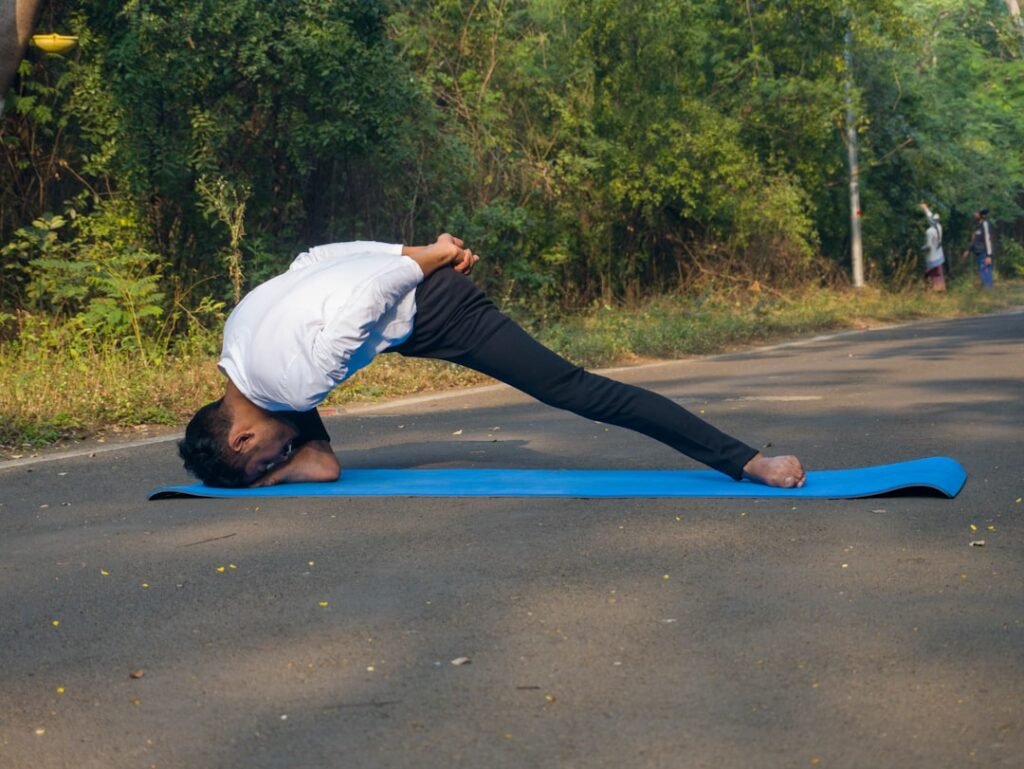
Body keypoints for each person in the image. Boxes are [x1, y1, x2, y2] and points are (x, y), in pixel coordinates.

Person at [178, 235, 806, 489]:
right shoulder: (235, 343)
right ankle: (744, 458)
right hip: (403, 302)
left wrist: (425, 256)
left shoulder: (295, 383)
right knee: (315, 446)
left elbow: (367, 297)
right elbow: (313, 259)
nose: (285, 456)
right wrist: (408, 248)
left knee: (573, 389)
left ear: (240, 435)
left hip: (436, 306)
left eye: (269, 458)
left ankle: (746, 460)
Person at [963, 208, 994, 288]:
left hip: (984, 254)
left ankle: (989, 291)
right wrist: (968, 250)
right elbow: (974, 240)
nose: (974, 214)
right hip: (979, 254)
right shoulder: (978, 226)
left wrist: (988, 255)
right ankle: (987, 290)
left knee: (986, 273)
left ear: (982, 215)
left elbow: (988, 240)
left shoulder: (985, 224)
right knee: (983, 273)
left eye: (976, 213)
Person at [919, 202, 945, 291]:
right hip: (939, 256)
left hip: (931, 258)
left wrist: (922, 248)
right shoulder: (939, 227)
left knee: (931, 275)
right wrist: (925, 208)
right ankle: (941, 288)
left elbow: (928, 246)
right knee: (939, 274)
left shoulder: (929, 231)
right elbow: (930, 216)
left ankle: (932, 290)